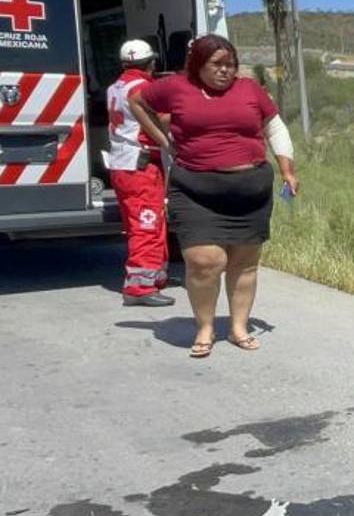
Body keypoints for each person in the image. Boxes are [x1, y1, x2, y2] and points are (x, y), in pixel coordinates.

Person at [129, 35, 299, 358]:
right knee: (205, 261)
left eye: (231, 64)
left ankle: (238, 327)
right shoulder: (176, 87)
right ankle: (205, 327)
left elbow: (275, 128)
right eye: (217, 64)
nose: (225, 70)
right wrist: (163, 140)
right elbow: (137, 101)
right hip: (195, 191)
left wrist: (287, 170)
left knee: (244, 264)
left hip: (249, 191)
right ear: (198, 65)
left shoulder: (249, 89)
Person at [106, 39, 175, 307]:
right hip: (141, 166)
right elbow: (163, 119)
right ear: (151, 62)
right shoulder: (144, 88)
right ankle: (139, 287)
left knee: (143, 222)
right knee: (147, 225)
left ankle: (154, 276)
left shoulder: (116, 86)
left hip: (122, 164)